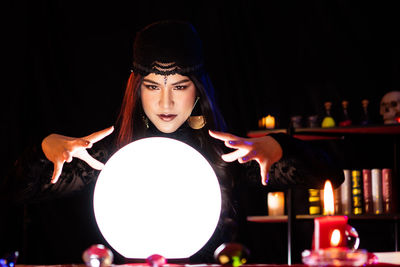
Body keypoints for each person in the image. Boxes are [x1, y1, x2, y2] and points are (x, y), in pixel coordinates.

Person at [1, 20, 344, 264]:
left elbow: (329, 176)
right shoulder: (110, 160)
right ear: (137, 90)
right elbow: (12, 192)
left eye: (179, 86)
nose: (166, 103)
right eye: (153, 86)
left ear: (198, 89)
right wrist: (44, 150)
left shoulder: (228, 155)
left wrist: (279, 147)